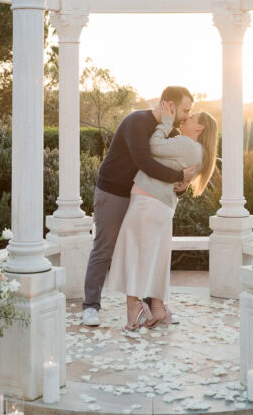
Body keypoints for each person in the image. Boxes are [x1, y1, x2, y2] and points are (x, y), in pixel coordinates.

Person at [81, 86, 195, 327]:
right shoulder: (136, 122)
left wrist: (182, 184)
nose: (186, 115)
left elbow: (176, 165)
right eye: (184, 109)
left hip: (142, 197)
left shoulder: (170, 132)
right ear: (170, 105)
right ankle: (91, 306)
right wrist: (178, 175)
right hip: (113, 192)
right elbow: (143, 161)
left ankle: (153, 306)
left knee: (144, 250)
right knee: (104, 248)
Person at [107, 102, 218, 329]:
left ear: (200, 128)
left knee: (135, 255)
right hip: (159, 205)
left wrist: (166, 122)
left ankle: (134, 309)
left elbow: (153, 147)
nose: (185, 119)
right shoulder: (197, 151)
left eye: (191, 117)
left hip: (148, 202)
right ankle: (157, 307)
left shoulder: (187, 145)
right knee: (154, 257)